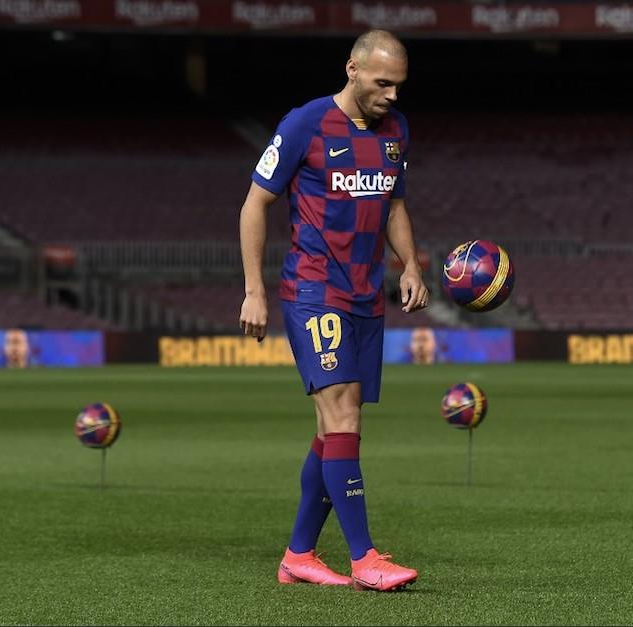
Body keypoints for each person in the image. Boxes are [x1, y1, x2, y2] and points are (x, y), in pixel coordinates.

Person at [238, 29, 427, 591]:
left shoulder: (396, 131)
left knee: (336, 430)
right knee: (341, 417)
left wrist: (410, 266)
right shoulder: (306, 123)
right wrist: (254, 288)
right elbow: (255, 204)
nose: (392, 95)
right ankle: (364, 558)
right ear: (352, 68)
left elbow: (394, 204)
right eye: (382, 82)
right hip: (314, 290)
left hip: (367, 295)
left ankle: (298, 555)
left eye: (399, 85)